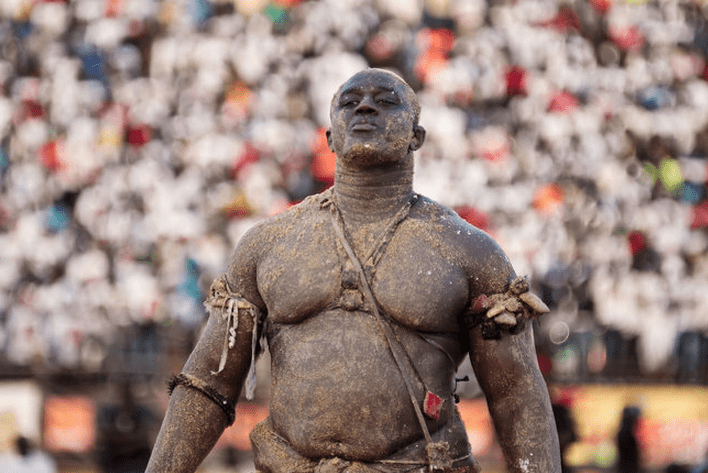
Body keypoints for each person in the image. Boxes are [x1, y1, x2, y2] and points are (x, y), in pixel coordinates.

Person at [145, 68, 561, 473]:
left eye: (385, 102)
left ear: (417, 136)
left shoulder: (468, 250)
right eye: (350, 102)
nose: (364, 108)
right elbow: (209, 384)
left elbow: (516, 397)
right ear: (330, 137)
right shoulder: (269, 244)